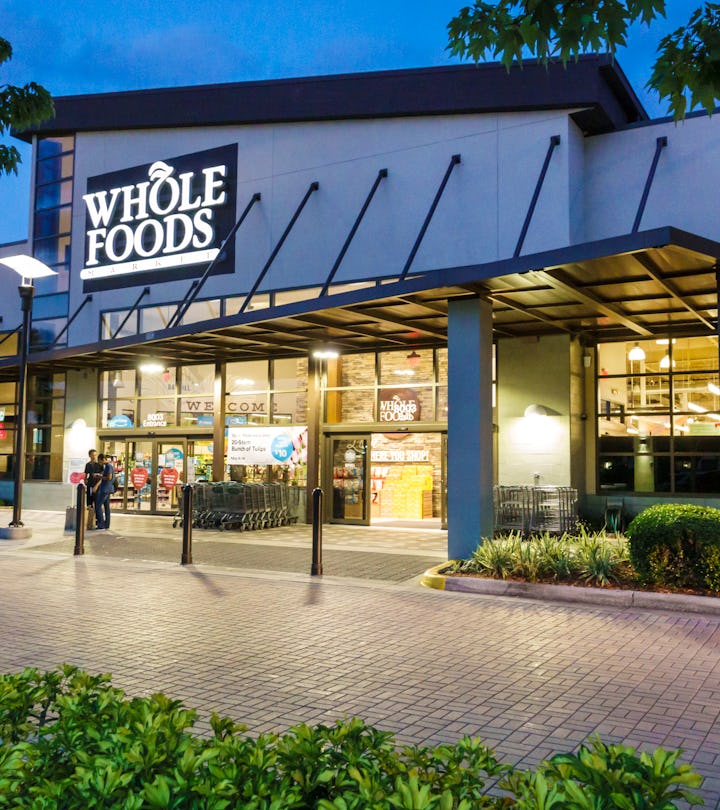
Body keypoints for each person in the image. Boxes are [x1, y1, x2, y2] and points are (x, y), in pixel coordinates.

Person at [94, 453, 114, 530]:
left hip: (105, 489)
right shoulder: (108, 466)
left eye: (99, 461)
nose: (99, 463)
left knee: (98, 506)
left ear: (102, 460)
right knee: (106, 507)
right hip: (107, 489)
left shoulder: (108, 466)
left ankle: (101, 524)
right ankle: (107, 524)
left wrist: (100, 476)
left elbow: (109, 477)